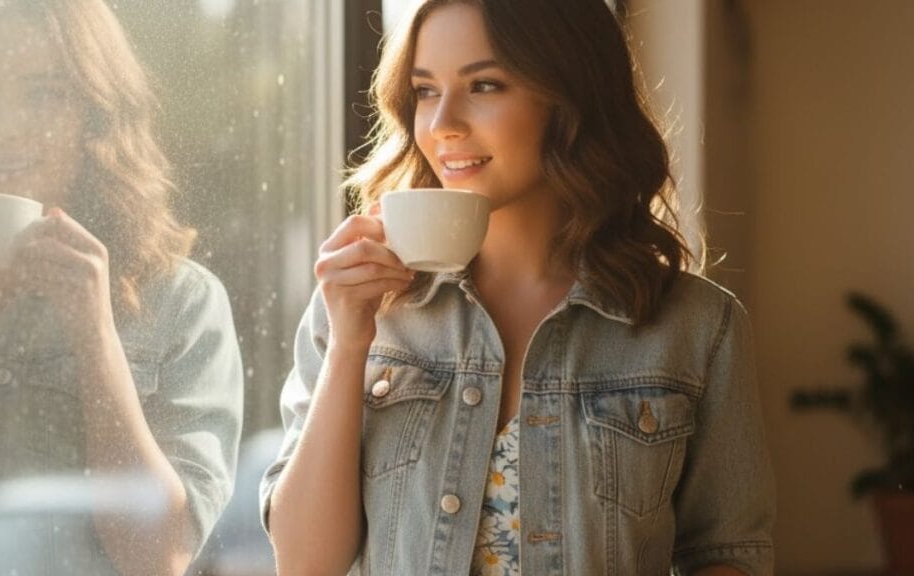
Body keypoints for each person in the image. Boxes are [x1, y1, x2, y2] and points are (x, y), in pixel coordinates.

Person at [261, 0, 775, 574]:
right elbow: (306, 563)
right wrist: (349, 344)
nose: (442, 123)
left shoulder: (698, 327)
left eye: (484, 84)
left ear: (570, 98)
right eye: (426, 90)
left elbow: (726, 558)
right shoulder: (359, 304)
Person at [0, 1, 244, 574]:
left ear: (95, 117)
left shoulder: (180, 303)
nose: (2, 127)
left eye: (40, 94)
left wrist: (94, 336)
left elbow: (159, 557)